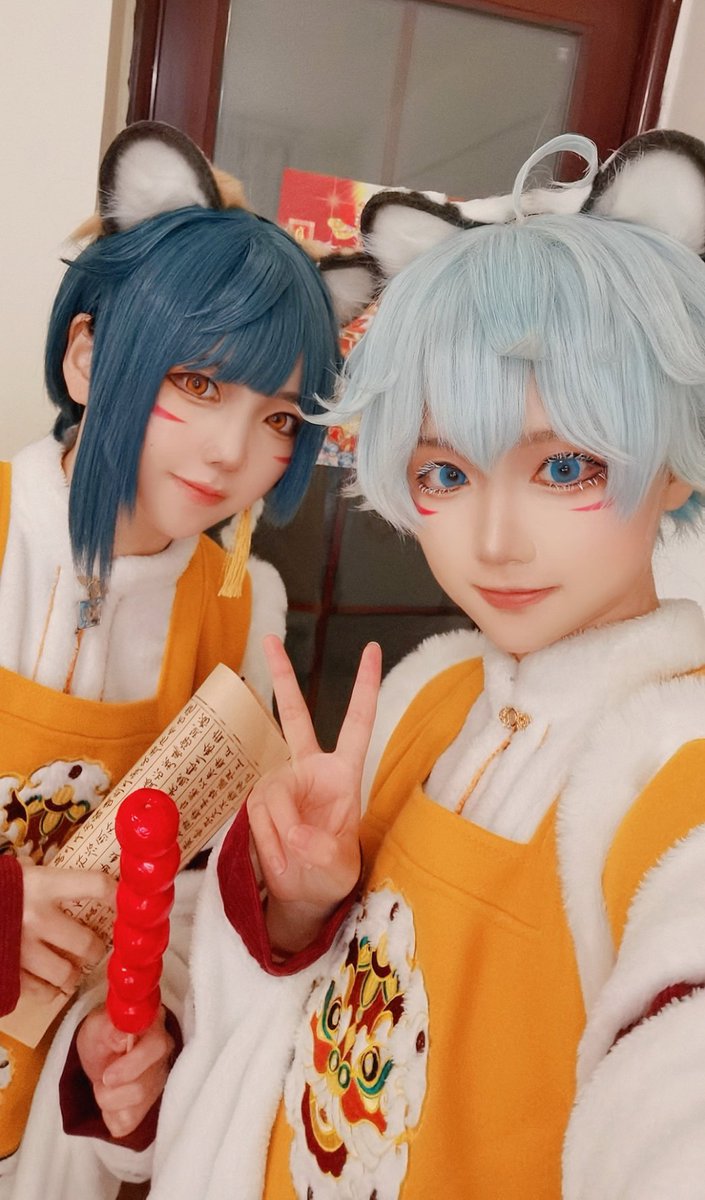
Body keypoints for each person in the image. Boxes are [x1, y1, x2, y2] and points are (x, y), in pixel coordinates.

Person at [21, 127, 705, 1199]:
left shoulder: (673, 769)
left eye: (566, 465)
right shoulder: (429, 701)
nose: (493, 543)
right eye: (446, 473)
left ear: (674, 461)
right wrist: (296, 912)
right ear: (86, 355)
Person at [0, 119, 342, 1195]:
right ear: (87, 355)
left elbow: (190, 904)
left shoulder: (242, 616)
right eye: (197, 382)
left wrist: (138, 1040)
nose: (233, 450)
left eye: (279, 416)